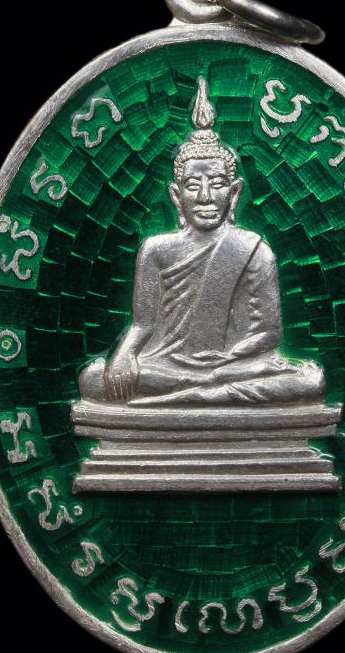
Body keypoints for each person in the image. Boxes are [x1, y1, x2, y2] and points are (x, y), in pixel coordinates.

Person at [79, 77, 325, 406]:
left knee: (309, 382)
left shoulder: (254, 249)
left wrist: (226, 361)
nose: (206, 196)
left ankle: (199, 389)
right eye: (193, 186)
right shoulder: (156, 250)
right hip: (168, 366)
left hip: (236, 367)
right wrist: (123, 355)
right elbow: (142, 325)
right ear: (176, 195)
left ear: (234, 192)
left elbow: (269, 333)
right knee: (93, 379)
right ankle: (202, 389)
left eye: (218, 184)